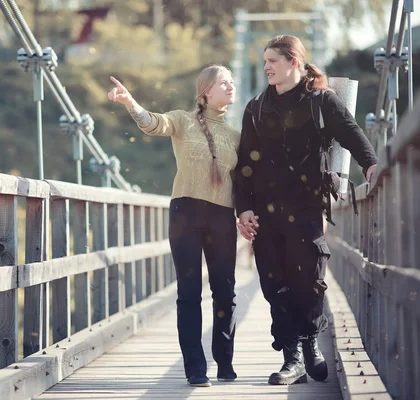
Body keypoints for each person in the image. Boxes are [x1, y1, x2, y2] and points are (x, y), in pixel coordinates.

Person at [235, 35, 378, 386]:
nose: (266, 66)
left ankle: (310, 344)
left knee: (309, 281)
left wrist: (371, 165)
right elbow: (243, 167)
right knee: (275, 285)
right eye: (265, 60)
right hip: (265, 214)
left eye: (273, 60)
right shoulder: (255, 108)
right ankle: (292, 358)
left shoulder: (321, 102)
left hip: (307, 207)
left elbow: (351, 132)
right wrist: (244, 209)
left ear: (294, 62)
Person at [108, 65, 240, 387]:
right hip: (186, 213)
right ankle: (195, 368)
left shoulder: (237, 136)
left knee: (225, 293)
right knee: (189, 292)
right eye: (224, 82)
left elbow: (250, 178)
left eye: (233, 82)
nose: (231, 86)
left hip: (223, 216)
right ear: (206, 90)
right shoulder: (182, 120)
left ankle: (224, 362)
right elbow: (154, 124)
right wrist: (130, 103)